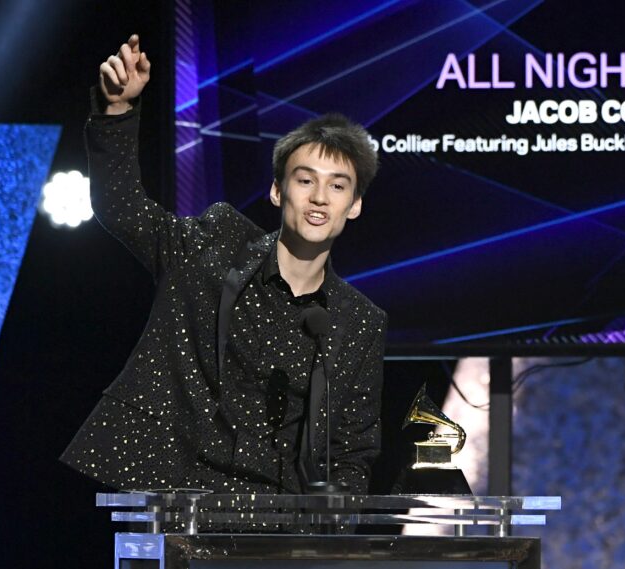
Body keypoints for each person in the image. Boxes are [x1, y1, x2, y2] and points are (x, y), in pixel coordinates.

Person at [61, 34, 387, 496]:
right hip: (173, 495)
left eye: (337, 186)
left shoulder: (358, 322)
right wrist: (117, 110)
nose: (318, 198)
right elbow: (123, 209)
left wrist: (330, 537)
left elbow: (352, 451)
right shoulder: (215, 243)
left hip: (279, 522)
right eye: (305, 180)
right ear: (278, 191)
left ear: (353, 205)